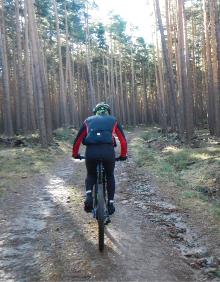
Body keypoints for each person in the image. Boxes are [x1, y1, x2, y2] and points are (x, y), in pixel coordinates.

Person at [72, 102, 127, 215]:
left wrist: (75, 154)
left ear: (95, 112)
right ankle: (110, 203)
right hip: (108, 152)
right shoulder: (113, 120)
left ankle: (88, 196)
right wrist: (123, 155)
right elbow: (123, 141)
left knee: (91, 174)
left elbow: (78, 140)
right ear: (108, 112)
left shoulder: (88, 120)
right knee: (110, 175)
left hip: (91, 152)